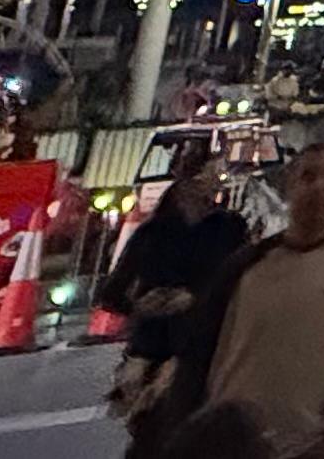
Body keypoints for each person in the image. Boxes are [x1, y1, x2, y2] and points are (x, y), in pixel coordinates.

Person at [164, 139, 324, 459]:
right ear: (290, 185)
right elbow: (198, 355)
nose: (319, 187)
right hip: (230, 447)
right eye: (308, 176)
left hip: (304, 446)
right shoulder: (246, 266)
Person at [96, 142, 249, 451]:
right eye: (212, 174)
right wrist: (142, 305)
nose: (217, 181)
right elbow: (111, 292)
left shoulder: (229, 228)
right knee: (152, 438)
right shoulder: (152, 234)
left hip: (205, 350)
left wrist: (194, 299)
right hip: (154, 350)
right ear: (187, 182)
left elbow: (241, 284)